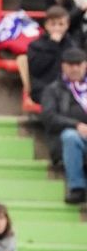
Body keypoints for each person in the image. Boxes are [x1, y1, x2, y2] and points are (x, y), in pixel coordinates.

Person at [41, 47, 87, 203]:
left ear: (85, 65)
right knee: (70, 137)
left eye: (78, 64)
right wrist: (76, 125)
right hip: (70, 140)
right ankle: (77, 188)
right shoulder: (53, 90)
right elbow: (49, 117)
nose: (75, 68)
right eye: (70, 64)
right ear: (63, 66)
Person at [18, 6, 77, 112]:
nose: (57, 28)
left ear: (67, 25)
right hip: (43, 88)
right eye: (53, 24)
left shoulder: (72, 45)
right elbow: (37, 69)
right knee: (62, 101)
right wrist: (53, 45)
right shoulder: (36, 45)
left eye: (61, 24)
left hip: (69, 88)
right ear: (46, 25)